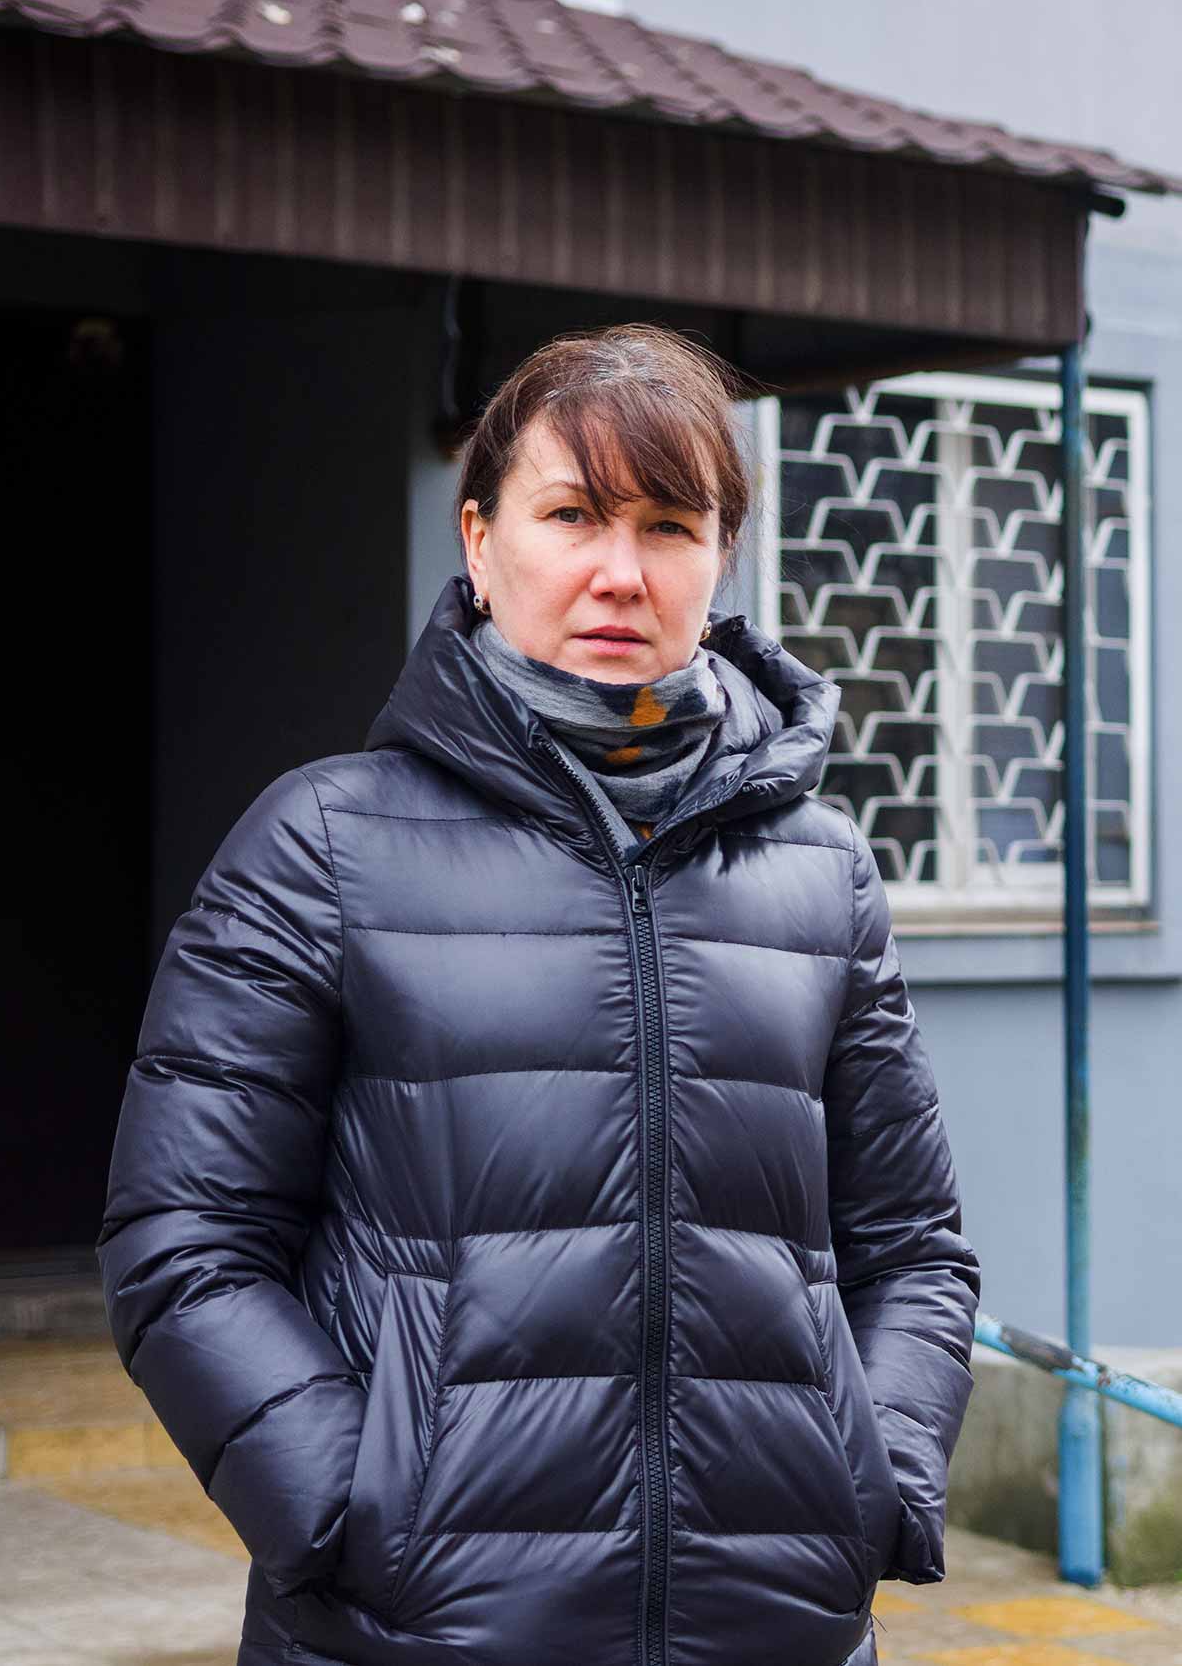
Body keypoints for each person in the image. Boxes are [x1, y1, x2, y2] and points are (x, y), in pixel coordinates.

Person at [96, 323, 979, 1666]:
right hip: (413, 1633)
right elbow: (185, 1244)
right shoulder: (323, 846)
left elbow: (913, 1245)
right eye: (572, 514)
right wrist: (351, 1510)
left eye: (671, 525)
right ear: (478, 538)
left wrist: (880, 1480)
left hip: (773, 1628)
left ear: (720, 557)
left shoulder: (820, 872)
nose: (621, 572)